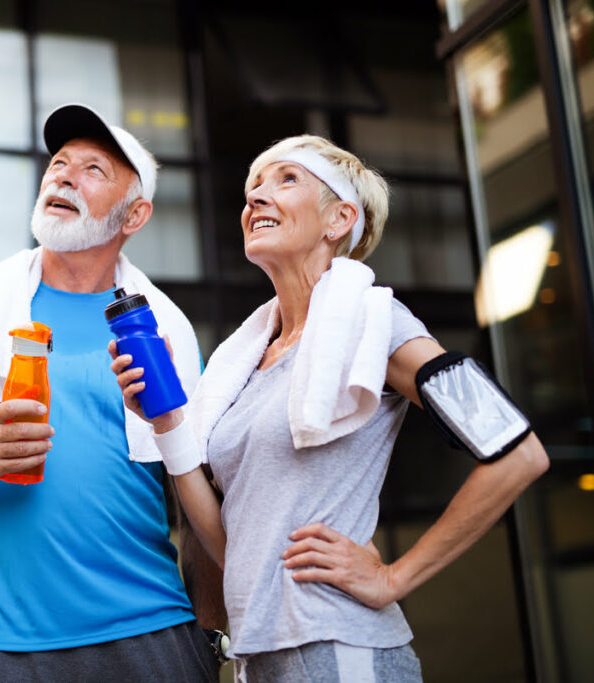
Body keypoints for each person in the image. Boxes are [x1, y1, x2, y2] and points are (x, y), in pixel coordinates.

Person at [110, 134, 550, 682]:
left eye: (285, 180)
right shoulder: (242, 361)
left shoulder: (375, 324)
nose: (256, 198)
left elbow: (520, 454)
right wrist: (168, 423)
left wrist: (394, 577)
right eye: (253, 187)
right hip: (260, 654)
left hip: (340, 648)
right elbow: (232, 542)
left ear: (339, 218)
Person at [0, 104, 222, 682]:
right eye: (59, 163)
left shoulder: (166, 334)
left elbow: (199, 500)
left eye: (93, 169)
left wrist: (210, 635)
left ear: (135, 214)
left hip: (154, 634)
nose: (63, 175)